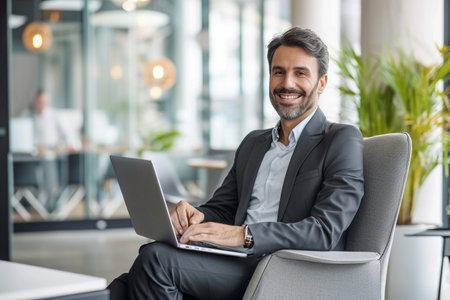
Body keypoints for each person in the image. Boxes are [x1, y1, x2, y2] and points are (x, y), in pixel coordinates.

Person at [108, 26, 364, 299]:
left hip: (283, 267)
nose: (287, 83)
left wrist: (244, 235)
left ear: (321, 83)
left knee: (155, 262)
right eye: (279, 72)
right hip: (235, 259)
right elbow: (223, 208)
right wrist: (196, 216)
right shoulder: (254, 143)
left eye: (300, 73)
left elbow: (324, 231)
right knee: (121, 286)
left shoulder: (340, 139)